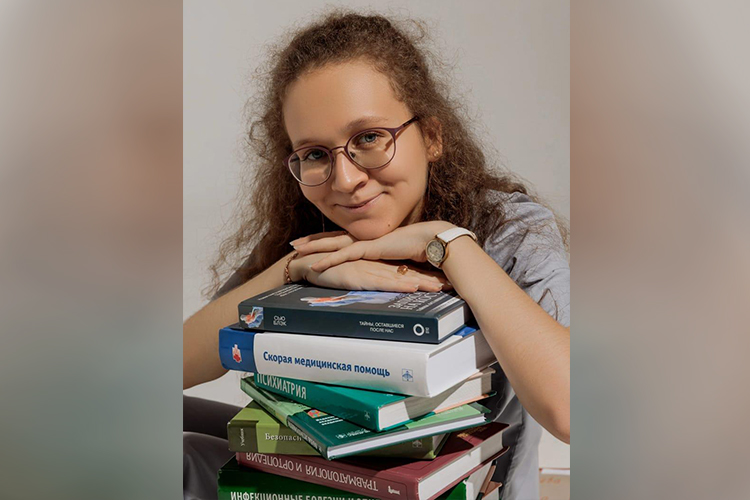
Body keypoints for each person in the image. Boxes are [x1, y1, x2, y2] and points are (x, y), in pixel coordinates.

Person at [184, 11, 569, 500]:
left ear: (432, 137)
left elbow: (569, 410)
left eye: (368, 138)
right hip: (316, 469)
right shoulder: (308, 233)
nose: (345, 181)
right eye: (315, 154)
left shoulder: (508, 231)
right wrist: (295, 269)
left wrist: (447, 245)